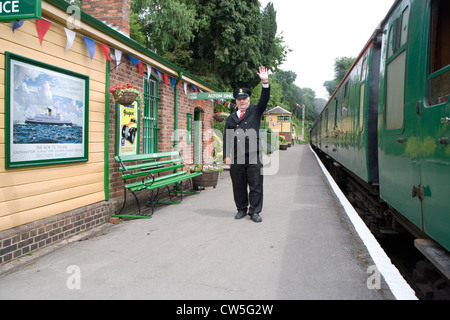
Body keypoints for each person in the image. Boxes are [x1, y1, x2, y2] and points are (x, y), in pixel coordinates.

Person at [223, 66, 270, 223]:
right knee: (238, 185)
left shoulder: (255, 111)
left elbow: (264, 99)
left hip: (253, 155)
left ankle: (255, 211)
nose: (242, 101)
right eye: (239, 99)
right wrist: (226, 156)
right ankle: (241, 209)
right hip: (236, 157)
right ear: (236, 101)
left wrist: (265, 83)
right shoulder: (230, 119)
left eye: (245, 99)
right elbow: (227, 138)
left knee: (256, 185)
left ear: (249, 100)